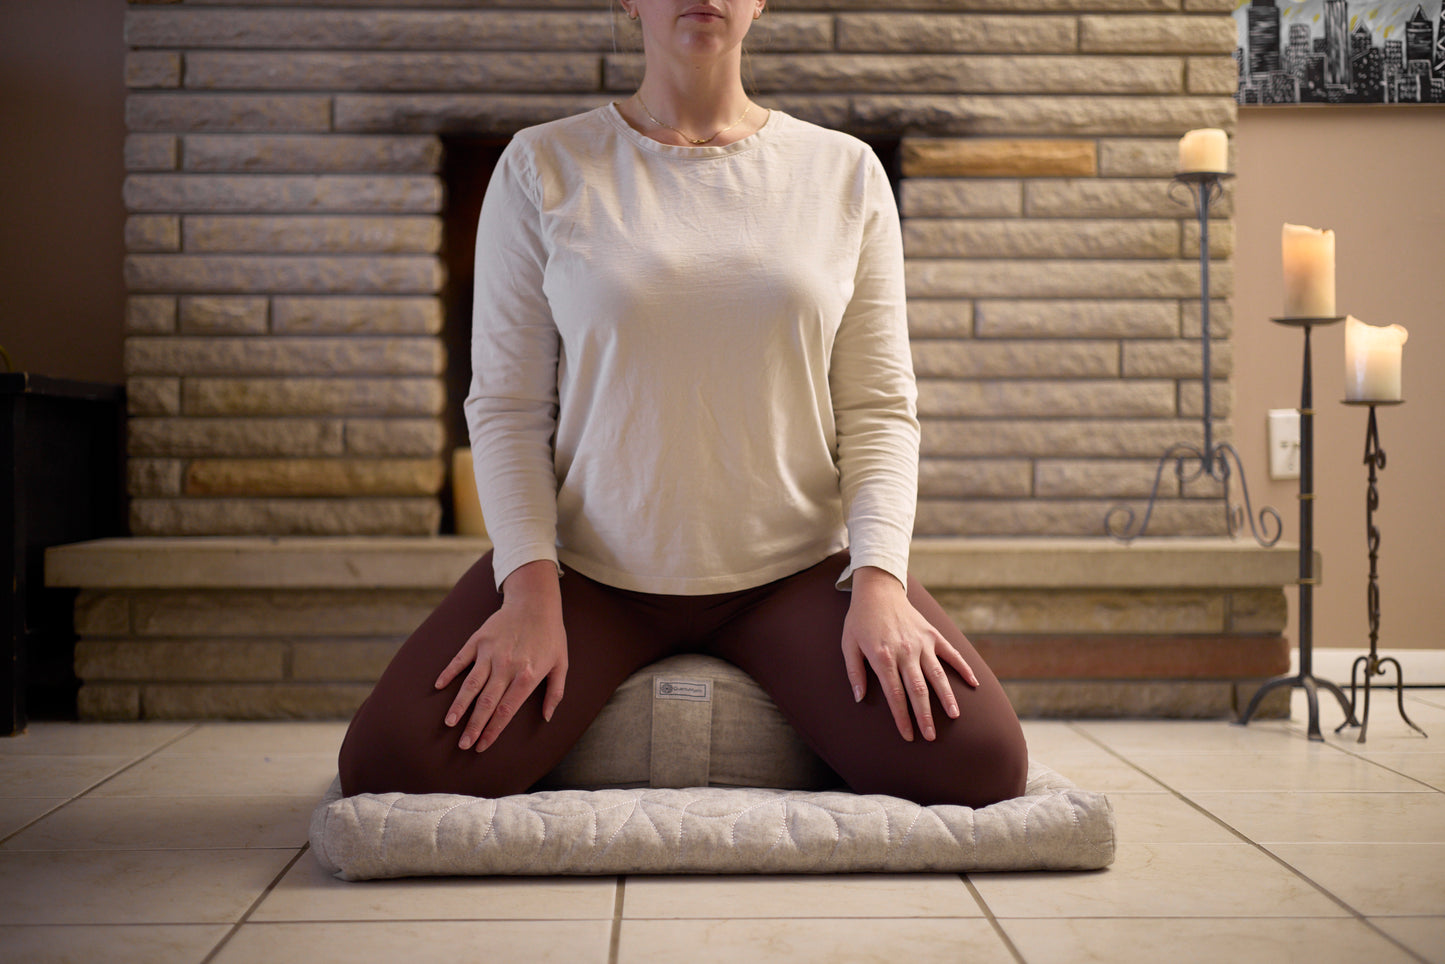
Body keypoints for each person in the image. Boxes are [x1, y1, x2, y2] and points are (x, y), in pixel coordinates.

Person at [338, 0, 1028, 809]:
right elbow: (507, 405)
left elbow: (878, 407)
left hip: (795, 570)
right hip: (592, 571)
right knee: (389, 768)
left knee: (979, 765)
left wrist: (881, 582)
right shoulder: (541, 164)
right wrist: (528, 588)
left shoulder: (843, 173)